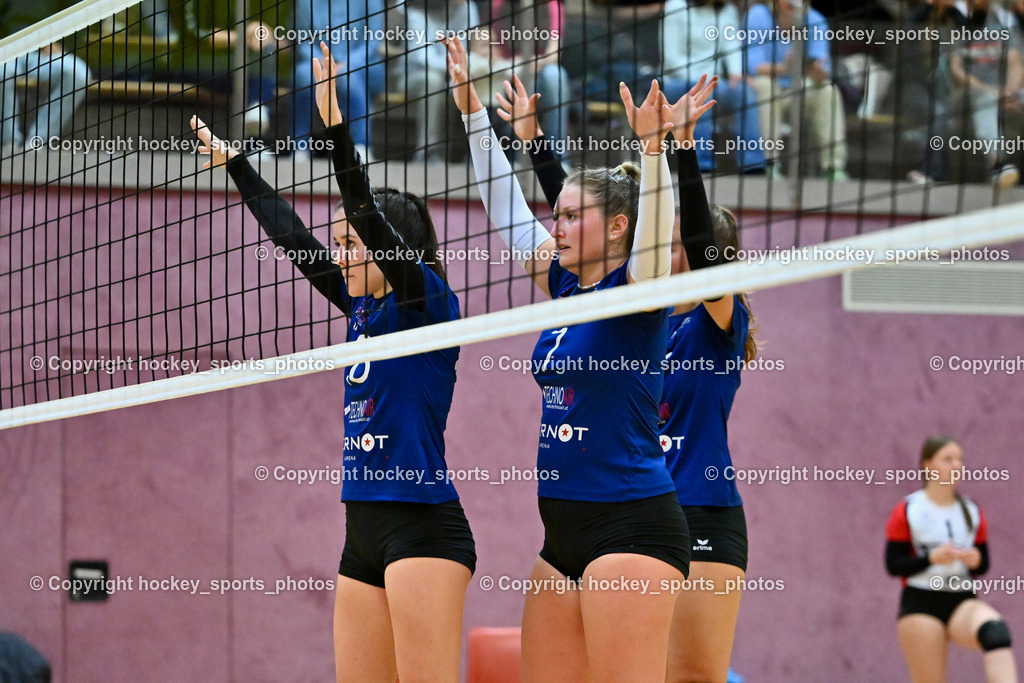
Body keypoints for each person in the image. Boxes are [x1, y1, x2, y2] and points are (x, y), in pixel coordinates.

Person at [191, 42, 474, 682]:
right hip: (362, 528)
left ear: (389, 248)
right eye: (339, 242)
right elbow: (295, 241)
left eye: (350, 243)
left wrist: (335, 125)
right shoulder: (361, 307)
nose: (339, 254)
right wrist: (238, 166)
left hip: (423, 530)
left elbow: (366, 210)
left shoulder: (424, 302)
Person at [495, 72, 753, 683]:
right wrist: (534, 143)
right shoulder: (613, 306)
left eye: (676, 244)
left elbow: (684, 249)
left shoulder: (715, 321)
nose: (662, 247)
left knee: (692, 676)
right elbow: (582, 232)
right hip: (601, 509)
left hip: (692, 508)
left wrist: (674, 147)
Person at [448, 35, 688, 681]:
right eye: (556, 215)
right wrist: (473, 114)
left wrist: (654, 151)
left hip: (632, 528)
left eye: (572, 217)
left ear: (617, 227)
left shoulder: (636, 294)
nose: (556, 227)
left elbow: (655, 241)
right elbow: (507, 212)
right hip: (561, 537)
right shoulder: (565, 286)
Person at [885, 435, 1018, 683]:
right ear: (928, 465)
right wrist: (931, 559)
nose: (956, 465)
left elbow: (983, 564)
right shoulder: (909, 509)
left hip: (961, 598)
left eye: (959, 459)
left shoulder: (971, 510)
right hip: (920, 601)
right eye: (947, 459)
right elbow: (893, 565)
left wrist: (975, 559)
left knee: (997, 634)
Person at [742, 0, 850, 180]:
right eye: (789, 5)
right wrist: (785, 67)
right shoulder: (757, 16)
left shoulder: (815, 20)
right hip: (770, 86)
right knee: (765, 86)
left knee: (827, 90)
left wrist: (815, 70)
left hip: (801, 88)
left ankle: (833, 167)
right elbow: (752, 67)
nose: (793, 8)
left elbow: (822, 70)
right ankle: (768, 164)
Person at [660, 0, 766, 174]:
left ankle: (753, 164)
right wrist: (703, 83)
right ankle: (701, 164)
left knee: (744, 92)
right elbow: (671, 58)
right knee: (703, 94)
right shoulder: (675, 6)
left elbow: (731, 47)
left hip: (714, 83)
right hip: (677, 82)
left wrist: (736, 74)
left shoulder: (727, 10)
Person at [291, 0, 386, 160]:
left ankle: (361, 145)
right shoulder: (305, 2)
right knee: (302, 75)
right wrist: (323, 61)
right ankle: (299, 147)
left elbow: (373, 42)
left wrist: (345, 64)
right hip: (320, 62)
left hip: (363, 63)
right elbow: (303, 41)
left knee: (349, 77)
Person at [949, 0, 1024, 188]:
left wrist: (1010, 93)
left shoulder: (1003, 29)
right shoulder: (960, 30)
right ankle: (998, 165)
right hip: (967, 95)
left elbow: (1016, 65)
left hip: (1005, 92)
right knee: (985, 98)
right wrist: (996, 94)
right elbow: (957, 72)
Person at [486, 0, 571, 147]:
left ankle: (558, 152)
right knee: (522, 83)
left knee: (556, 76)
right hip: (508, 69)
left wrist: (534, 63)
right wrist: (515, 64)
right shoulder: (498, 4)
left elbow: (554, 52)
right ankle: (517, 152)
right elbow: (491, 45)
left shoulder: (552, 4)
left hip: (540, 68)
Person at [0, 42, 91, 153]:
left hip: (45, 53)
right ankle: (7, 142)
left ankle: (38, 142)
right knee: (1, 73)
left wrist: (51, 41)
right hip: (5, 53)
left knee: (78, 75)